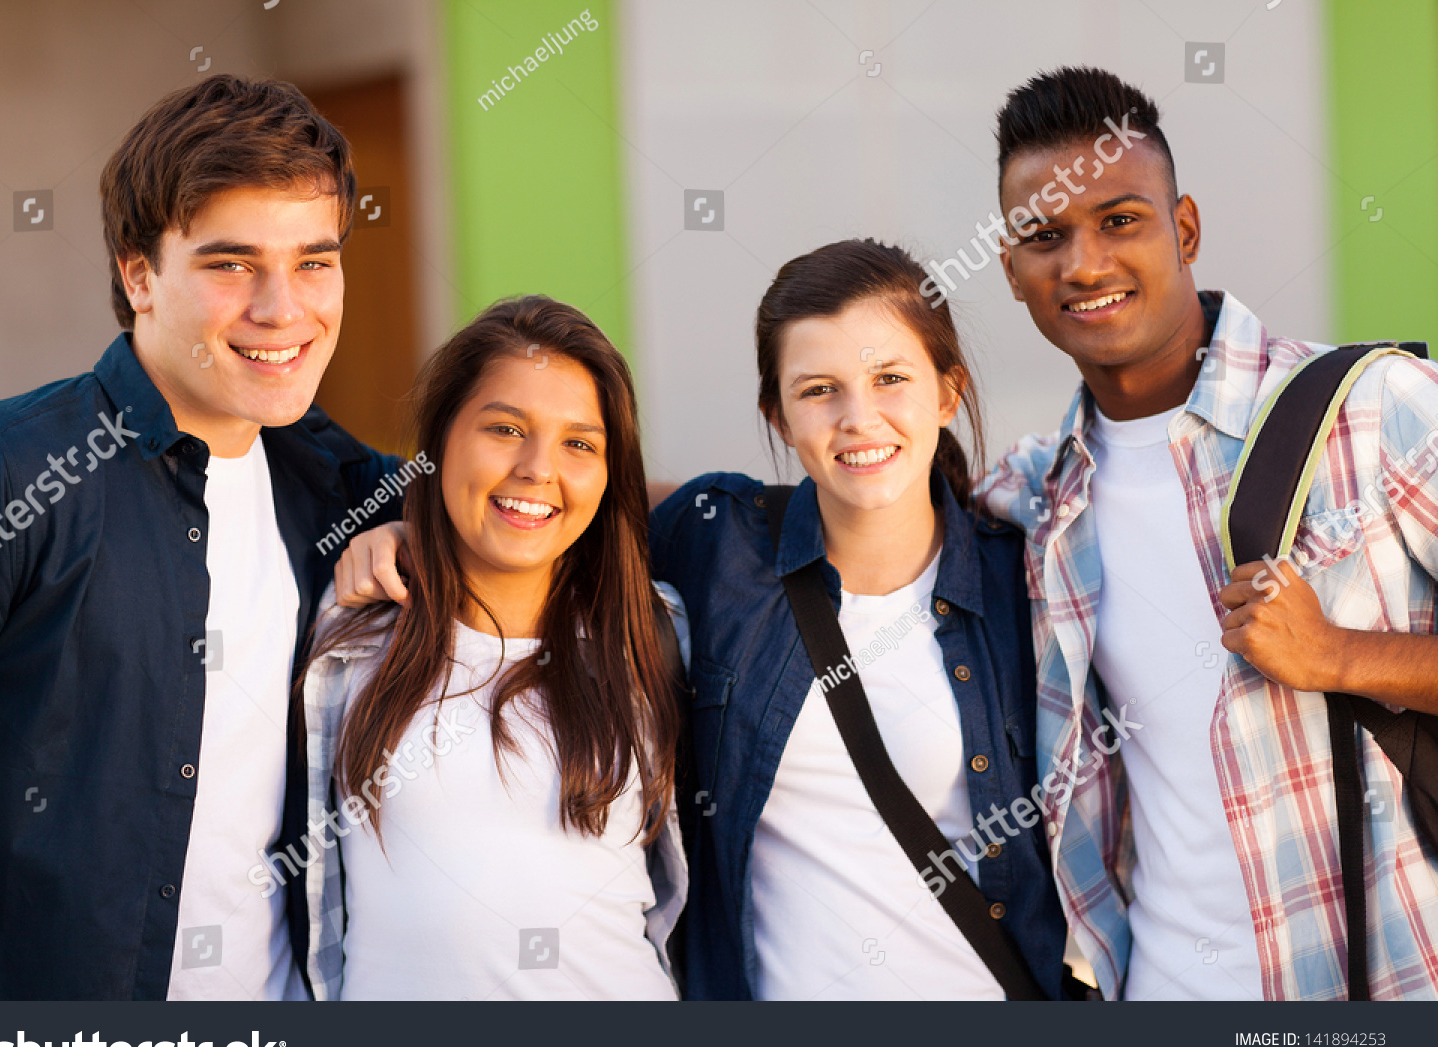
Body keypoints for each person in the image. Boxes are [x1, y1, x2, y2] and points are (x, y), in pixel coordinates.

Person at [335, 240, 1068, 1000]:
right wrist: (404, 523)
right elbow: (558, 507)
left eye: (890, 379)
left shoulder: (1027, 581)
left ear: (947, 393)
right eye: (819, 389)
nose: (859, 417)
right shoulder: (721, 546)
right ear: (775, 414)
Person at [0, 75, 407, 999]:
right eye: (231, 263)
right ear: (138, 273)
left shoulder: (340, 490)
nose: (283, 310)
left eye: (315, 260)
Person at [978, 67, 1438, 999]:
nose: (1085, 265)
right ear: (1012, 270)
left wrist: (1339, 654)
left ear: (1183, 228)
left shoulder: (1375, 407)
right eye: (1045, 237)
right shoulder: (1041, 492)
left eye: (1119, 220)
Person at [298, 296, 686, 1000]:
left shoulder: (652, 634)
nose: (539, 468)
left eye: (580, 443)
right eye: (506, 427)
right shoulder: (350, 635)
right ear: (442, 438)